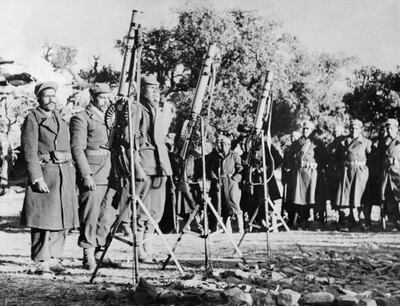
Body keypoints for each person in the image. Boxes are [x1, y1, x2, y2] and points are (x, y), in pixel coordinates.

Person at [20, 81, 79, 274]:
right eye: (47, 96)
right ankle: (41, 261)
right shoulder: (33, 118)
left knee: (61, 217)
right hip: (46, 173)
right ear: (39, 98)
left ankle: (54, 257)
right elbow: (29, 152)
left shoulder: (59, 118)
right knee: (42, 219)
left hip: (64, 174)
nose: (51, 99)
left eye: (54, 95)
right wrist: (37, 178)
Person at [118, 74, 172, 263]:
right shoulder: (135, 108)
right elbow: (128, 140)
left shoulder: (157, 110)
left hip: (160, 165)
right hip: (145, 165)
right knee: (142, 210)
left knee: (155, 211)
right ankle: (139, 249)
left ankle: (149, 248)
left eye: (157, 89)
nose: (155, 92)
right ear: (141, 90)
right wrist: (136, 166)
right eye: (151, 88)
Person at [70, 83, 120, 270]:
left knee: (108, 214)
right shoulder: (81, 118)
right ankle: (88, 254)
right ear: (92, 97)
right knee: (89, 214)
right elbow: (77, 148)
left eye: (108, 97)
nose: (106, 101)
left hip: (111, 173)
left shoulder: (112, 117)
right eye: (102, 97)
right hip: (93, 173)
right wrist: (86, 175)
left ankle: (101, 252)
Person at [287, 121, 327, 229]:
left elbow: (324, 158)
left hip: (312, 173)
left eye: (308, 129)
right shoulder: (297, 143)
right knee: (301, 198)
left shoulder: (317, 143)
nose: (305, 130)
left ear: (312, 130)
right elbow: (289, 157)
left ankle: (317, 221)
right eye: (304, 128)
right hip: (300, 173)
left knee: (313, 197)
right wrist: (293, 168)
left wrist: (317, 167)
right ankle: (303, 220)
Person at [334, 119, 371, 230]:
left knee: (361, 197)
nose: (354, 130)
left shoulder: (366, 142)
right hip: (346, 171)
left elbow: (372, 158)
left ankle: (363, 221)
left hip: (360, 172)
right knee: (345, 196)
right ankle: (346, 221)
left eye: (356, 128)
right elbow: (336, 157)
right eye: (352, 128)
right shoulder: (343, 142)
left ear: (360, 130)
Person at [207, 134, 244, 233]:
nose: (223, 146)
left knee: (234, 203)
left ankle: (241, 228)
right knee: (223, 205)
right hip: (220, 183)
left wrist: (235, 179)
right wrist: (215, 180)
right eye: (222, 144)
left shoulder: (234, 155)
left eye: (225, 144)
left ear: (229, 145)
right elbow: (211, 170)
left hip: (231, 183)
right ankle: (227, 228)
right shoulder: (217, 157)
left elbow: (240, 169)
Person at [379, 118, 400, 230]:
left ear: (397, 129)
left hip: (398, 171)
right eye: (387, 128)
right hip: (386, 172)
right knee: (388, 196)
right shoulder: (383, 141)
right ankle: (394, 221)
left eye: (392, 128)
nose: (389, 130)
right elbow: (379, 157)